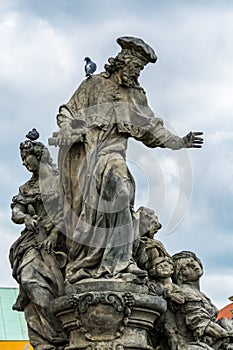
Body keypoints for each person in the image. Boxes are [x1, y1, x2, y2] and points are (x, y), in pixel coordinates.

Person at [51, 36, 203, 283]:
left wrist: (178, 141)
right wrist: (68, 127)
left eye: (141, 68)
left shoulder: (135, 96)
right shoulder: (93, 85)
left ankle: (120, 262)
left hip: (112, 157)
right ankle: (91, 262)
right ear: (123, 61)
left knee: (122, 192)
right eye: (136, 66)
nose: (137, 72)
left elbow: (152, 128)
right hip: (87, 159)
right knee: (92, 215)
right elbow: (68, 111)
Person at [9, 139, 67, 350]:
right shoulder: (27, 187)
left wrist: (54, 234)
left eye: (26, 158)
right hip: (34, 238)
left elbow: (71, 209)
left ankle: (60, 333)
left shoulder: (61, 180)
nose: (24, 163)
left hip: (63, 237)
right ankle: (49, 337)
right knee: (30, 279)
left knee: (55, 287)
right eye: (22, 159)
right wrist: (26, 219)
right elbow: (16, 211)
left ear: (39, 155)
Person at [169, 251, 233, 349]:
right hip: (192, 343)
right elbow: (201, 323)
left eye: (194, 261)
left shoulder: (200, 294)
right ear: (180, 275)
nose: (194, 265)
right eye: (187, 266)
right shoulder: (186, 292)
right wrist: (227, 335)